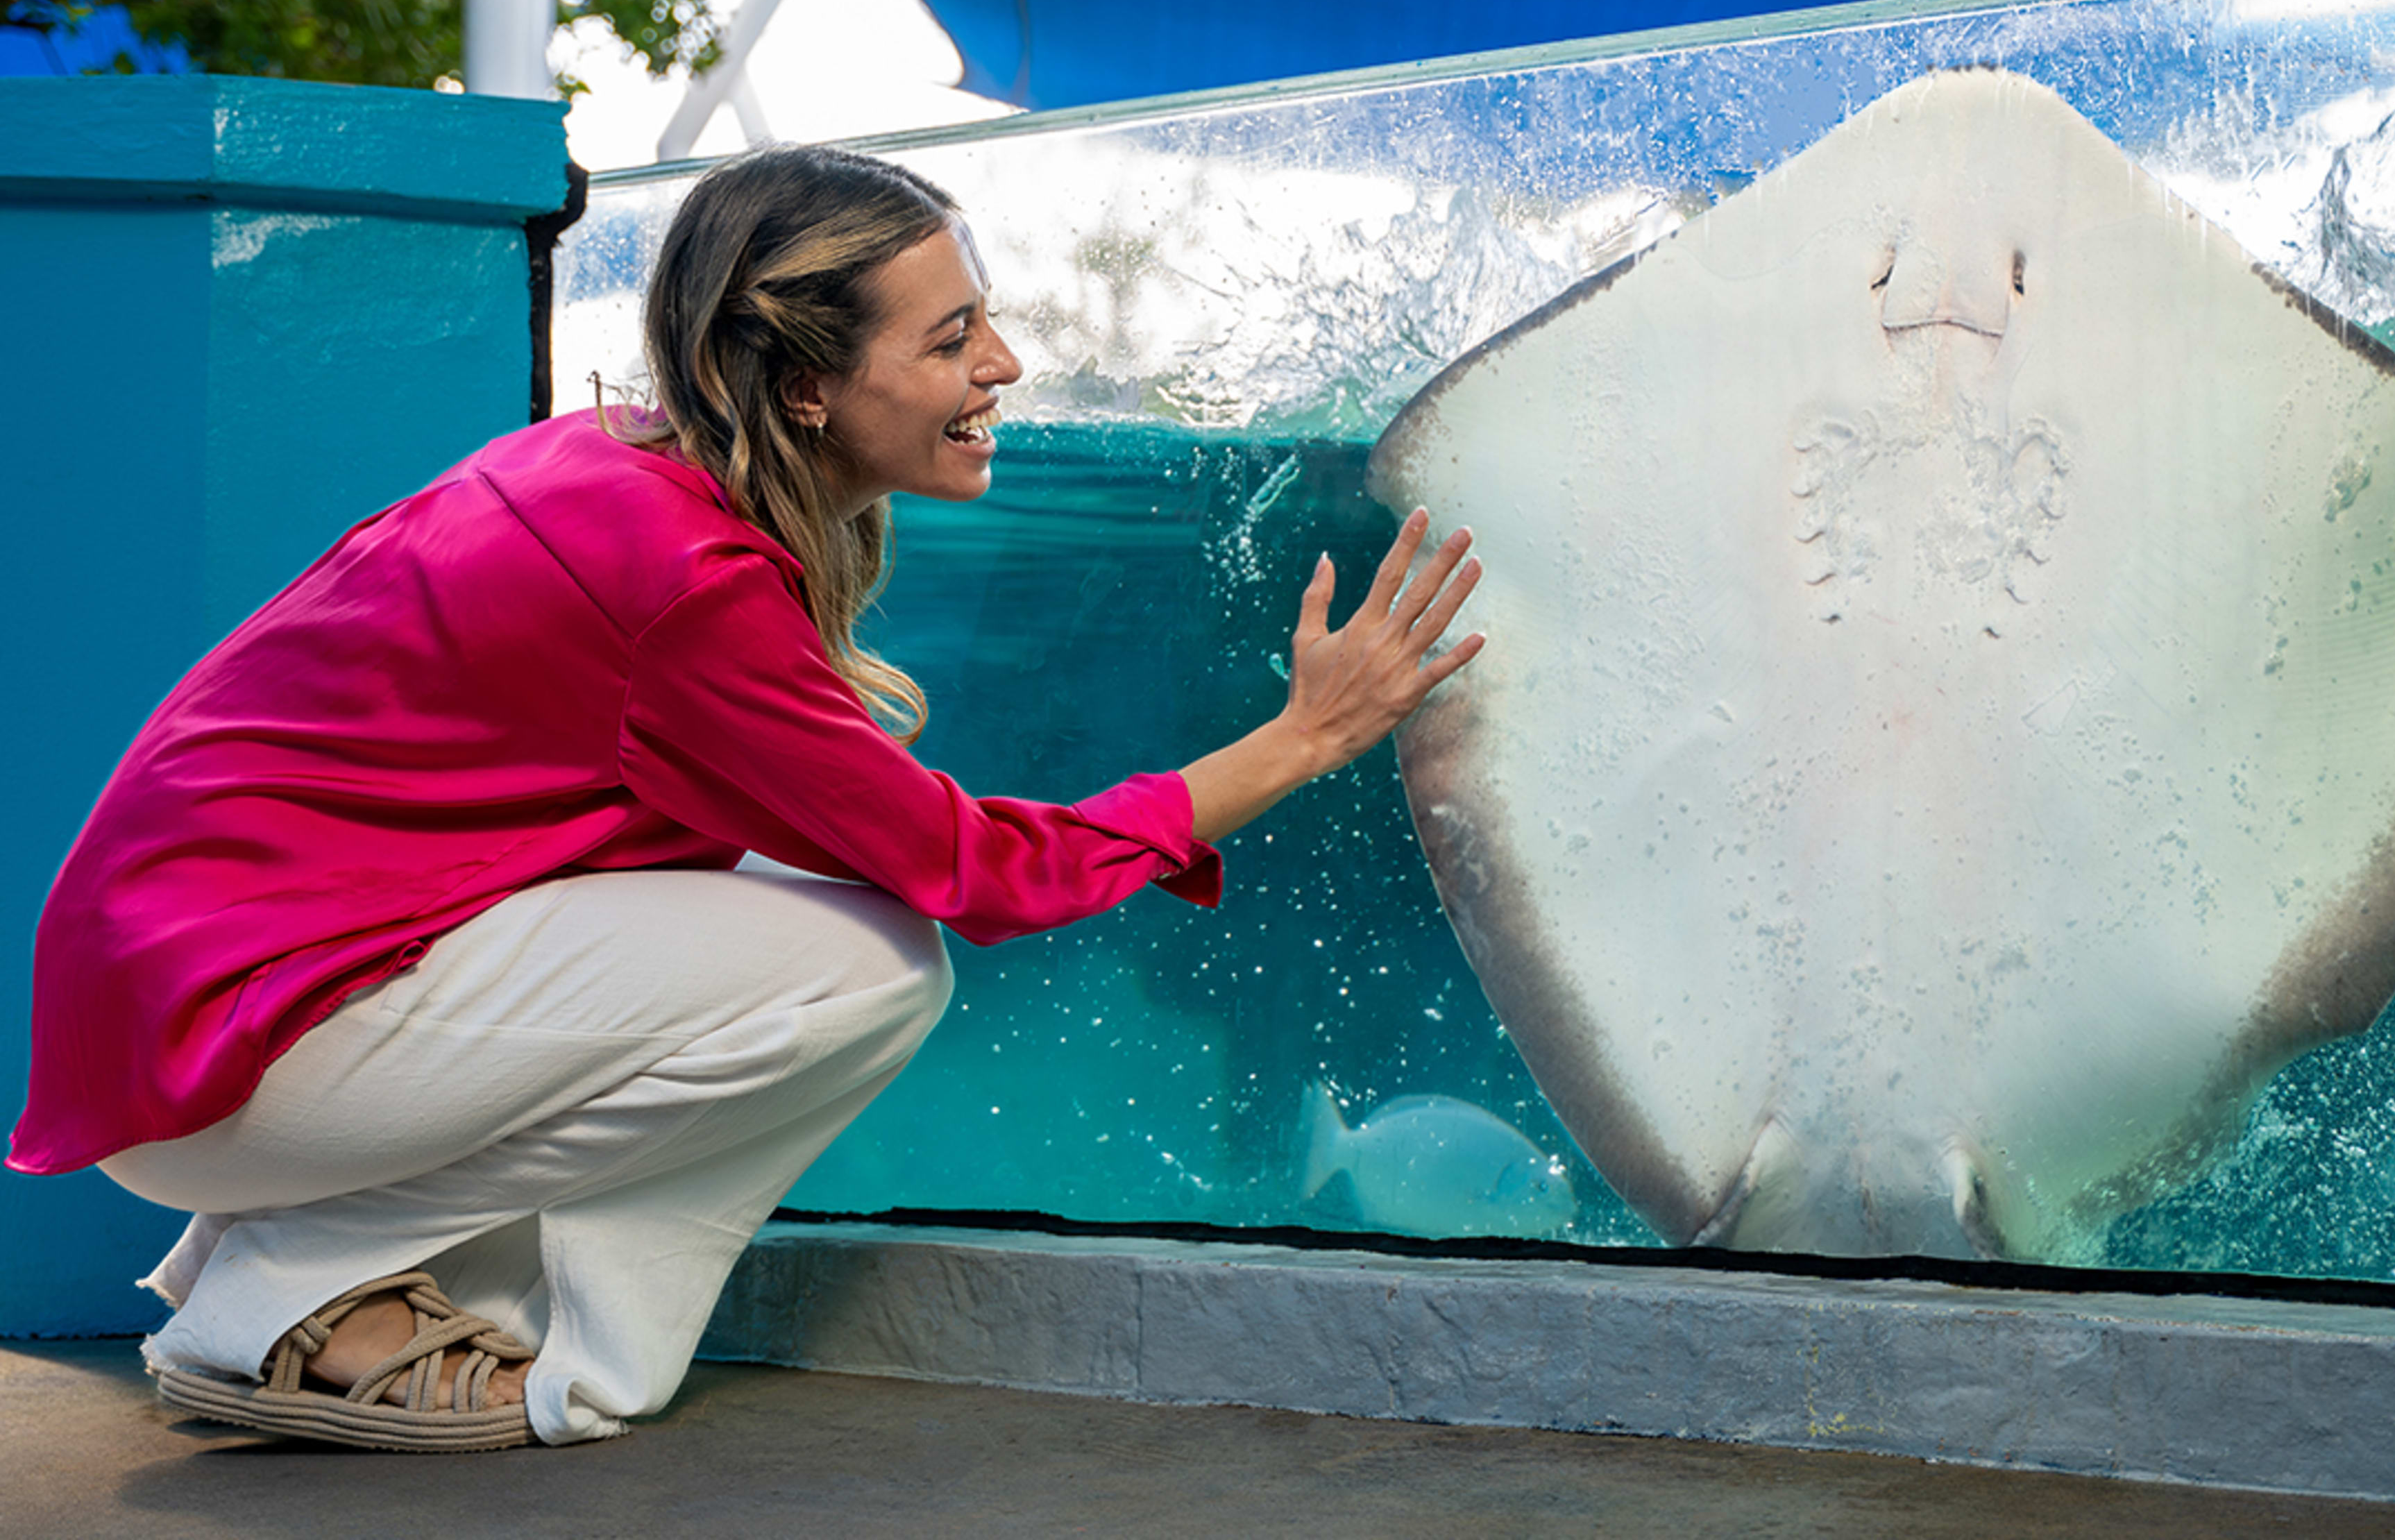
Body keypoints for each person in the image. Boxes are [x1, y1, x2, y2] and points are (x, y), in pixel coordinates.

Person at [8, 144, 1483, 1453]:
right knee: (866, 967)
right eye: (954, 336)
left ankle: (324, 1267)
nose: (1007, 366)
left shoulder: (618, 477)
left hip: (192, 1008)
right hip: (229, 1039)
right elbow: (967, 869)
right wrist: (1303, 736)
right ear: (804, 385)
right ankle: (296, 1279)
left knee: (810, 915)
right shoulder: (678, 579)